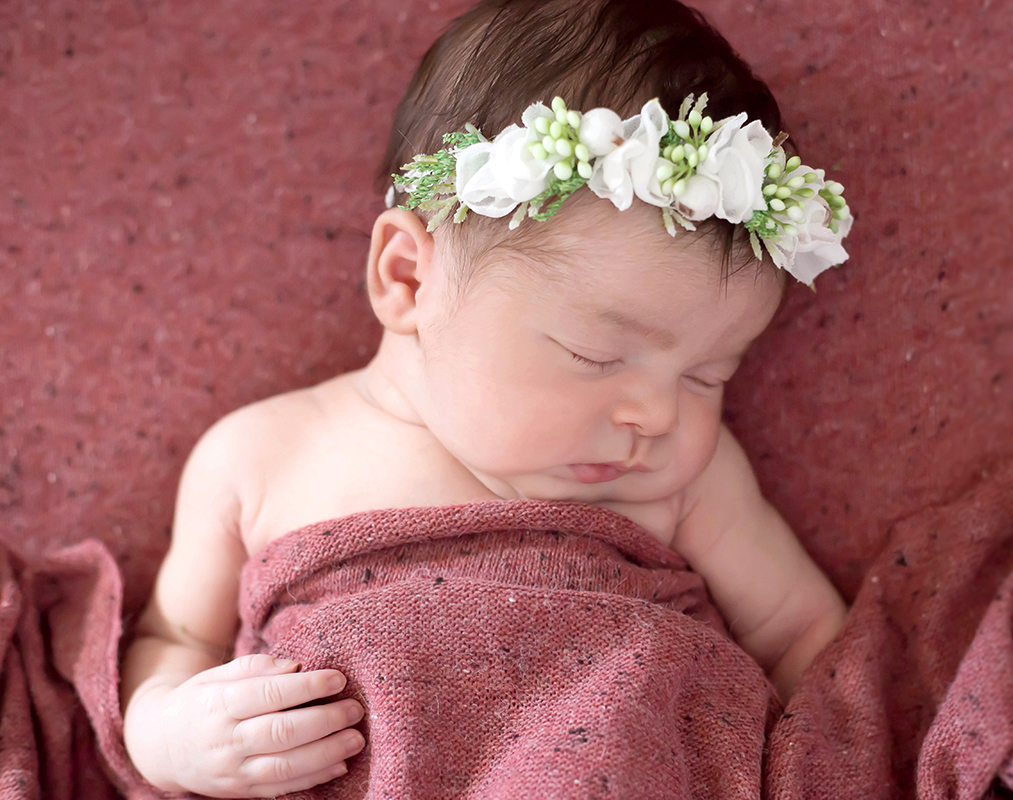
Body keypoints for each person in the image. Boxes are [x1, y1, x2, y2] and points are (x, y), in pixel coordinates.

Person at [118, 0, 852, 795]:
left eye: (709, 375)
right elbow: (173, 637)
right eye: (596, 356)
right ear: (409, 278)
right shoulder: (261, 456)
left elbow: (805, 634)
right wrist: (170, 736)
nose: (660, 415)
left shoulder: (684, 483)